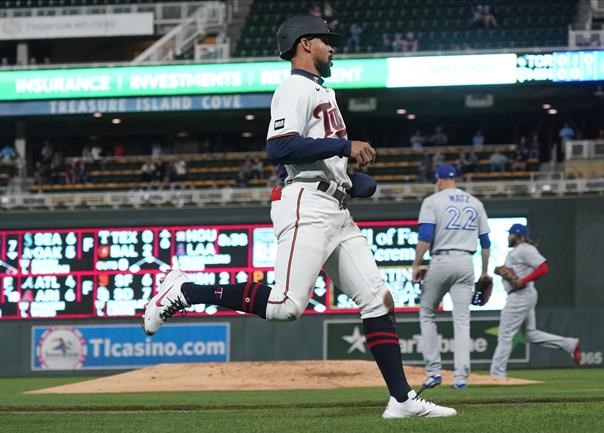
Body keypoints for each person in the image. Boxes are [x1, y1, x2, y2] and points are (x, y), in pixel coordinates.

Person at [141, 14, 456, 419]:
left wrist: (351, 181)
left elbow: (315, 154)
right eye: (326, 41)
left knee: (378, 299)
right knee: (286, 306)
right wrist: (344, 148)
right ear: (305, 44)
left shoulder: (322, 90)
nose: (332, 47)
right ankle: (186, 291)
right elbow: (280, 148)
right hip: (306, 205)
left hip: (333, 208)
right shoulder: (294, 86)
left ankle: (401, 400)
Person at [412, 163, 491, 390]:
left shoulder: (433, 201)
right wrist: (484, 271)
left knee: (427, 312)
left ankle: (433, 373)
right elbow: (485, 243)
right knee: (462, 321)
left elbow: (425, 238)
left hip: (442, 260)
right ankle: (461, 378)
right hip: (466, 262)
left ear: (439, 180)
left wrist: (416, 264)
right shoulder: (476, 203)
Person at [490, 224, 581, 377]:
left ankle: (497, 374)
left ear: (517, 235)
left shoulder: (525, 249)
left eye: (510, 234)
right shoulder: (517, 252)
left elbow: (543, 267)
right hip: (524, 294)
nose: (508, 237)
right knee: (530, 334)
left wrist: (524, 280)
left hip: (520, 295)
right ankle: (570, 344)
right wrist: (501, 270)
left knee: (505, 335)